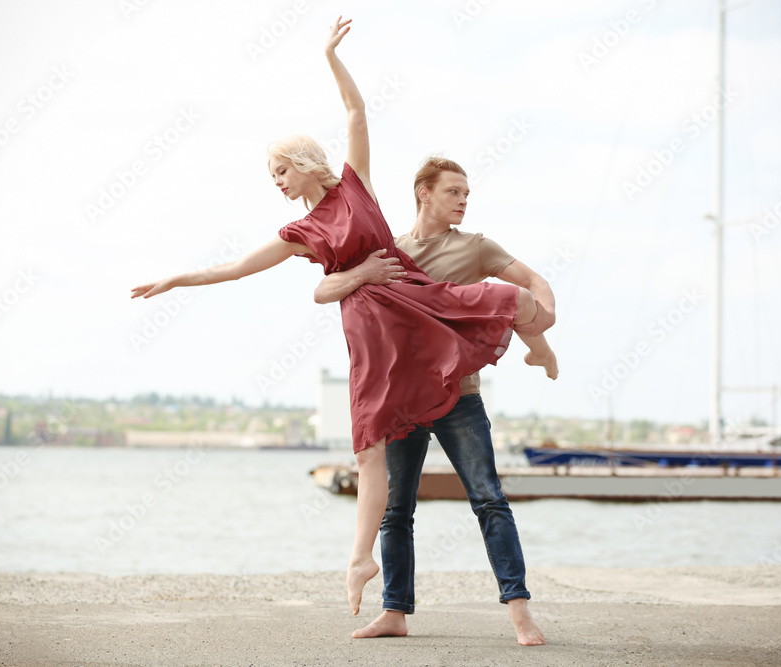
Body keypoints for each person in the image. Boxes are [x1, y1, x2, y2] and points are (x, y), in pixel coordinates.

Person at [130, 18, 558, 617]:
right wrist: (176, 278)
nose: (276, 183)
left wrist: (330, 55)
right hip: (370, 332)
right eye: (272, 177)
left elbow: (357, 112)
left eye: (280, 171)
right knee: (369, 452)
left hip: (412, 301)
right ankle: (362, 562)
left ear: (304, 162)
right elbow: (238, 269)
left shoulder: (356, 187)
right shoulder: (300, 233)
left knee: (506, 302)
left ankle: (543, 345)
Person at [314, 157, 552, 645]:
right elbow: (327, 290)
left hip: (459, 397)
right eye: (454, 192)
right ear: (424, 193)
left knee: (489, 500)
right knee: (396, 511)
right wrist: (360, 272)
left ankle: (521, 614)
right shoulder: (389, 251)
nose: (464, 200)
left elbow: (532, 281)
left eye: (467, 193)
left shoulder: (476, 247)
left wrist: (542, 324)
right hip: (402, 403)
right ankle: (394, 613)